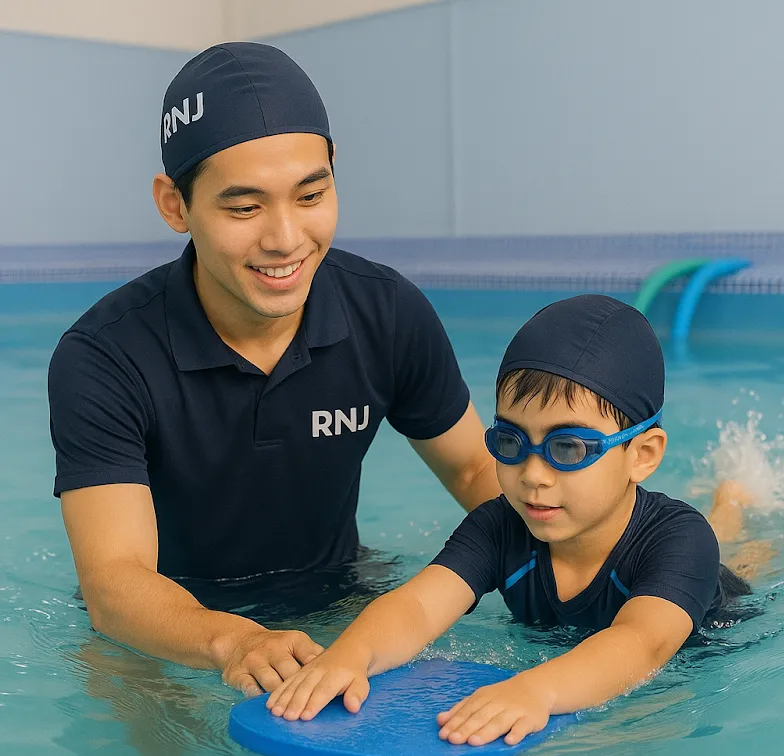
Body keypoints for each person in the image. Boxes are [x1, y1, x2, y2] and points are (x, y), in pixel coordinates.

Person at [47, 43, 500, 696]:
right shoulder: (106, 356)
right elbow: (115, 583)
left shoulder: (386, 313)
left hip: (341, 600)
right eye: (244, 208)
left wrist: (590, 554)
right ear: (175, 205)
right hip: (168, 630)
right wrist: (232, 640)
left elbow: (473, 469)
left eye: (311, 194)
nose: (286, 239)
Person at [266, 294, 765, 747]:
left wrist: (536, 690)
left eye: (568, 448)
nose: (532, 475)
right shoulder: (501, 526)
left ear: (642, 455)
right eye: (510, 441)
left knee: (735, 552)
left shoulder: (679, 541)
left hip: (713, 611)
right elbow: (418, 606)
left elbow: (642, 644)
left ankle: (733, 501)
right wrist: (351, 654)